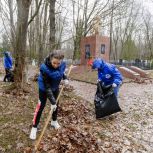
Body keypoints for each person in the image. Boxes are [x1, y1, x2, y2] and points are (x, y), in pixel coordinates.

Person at [30, 50, 69, 140]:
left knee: (56, 105)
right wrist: (52, 101)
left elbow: (62, 72)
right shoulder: (44, 68)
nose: (56, 65)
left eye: (58, 63)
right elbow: (47, 87)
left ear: (61, 61)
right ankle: (34, 127)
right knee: (41, 106)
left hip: (55, 87)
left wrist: (65, 78)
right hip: (44, 88)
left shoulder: (62, 64)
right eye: (54, 63)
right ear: (50, 59)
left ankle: (54, 121)